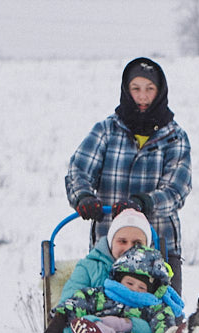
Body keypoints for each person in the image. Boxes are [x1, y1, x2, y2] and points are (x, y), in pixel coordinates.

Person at [65, 57, 191, 294]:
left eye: (149, 89)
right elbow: (79, 170)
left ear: (160, 92)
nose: (142, 97)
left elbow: (177, 191)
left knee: (164, 321)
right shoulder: (106, 131)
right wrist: (83, 197)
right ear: (126, 90)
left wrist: (143, 203)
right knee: (103, 315)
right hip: (110, 247)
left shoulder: (175, 137)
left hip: (158, 246)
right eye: (136, 89)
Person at [29, 210, 170, 333]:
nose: (129, 248)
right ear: (111, 241)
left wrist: (131, 326)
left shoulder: (152, 277)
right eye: (122, 241)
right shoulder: (89, 268)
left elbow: (160, 313)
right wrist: (93, 325)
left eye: (137, 243)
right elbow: (75, 302)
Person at [43, 245, 187, 333]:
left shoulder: (151, 306)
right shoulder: (102, 295)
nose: (134, 289)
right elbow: (79, 302)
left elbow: (162, 320)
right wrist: (61, 316)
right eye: (130, 283)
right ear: (118, 280)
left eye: (141, 288)